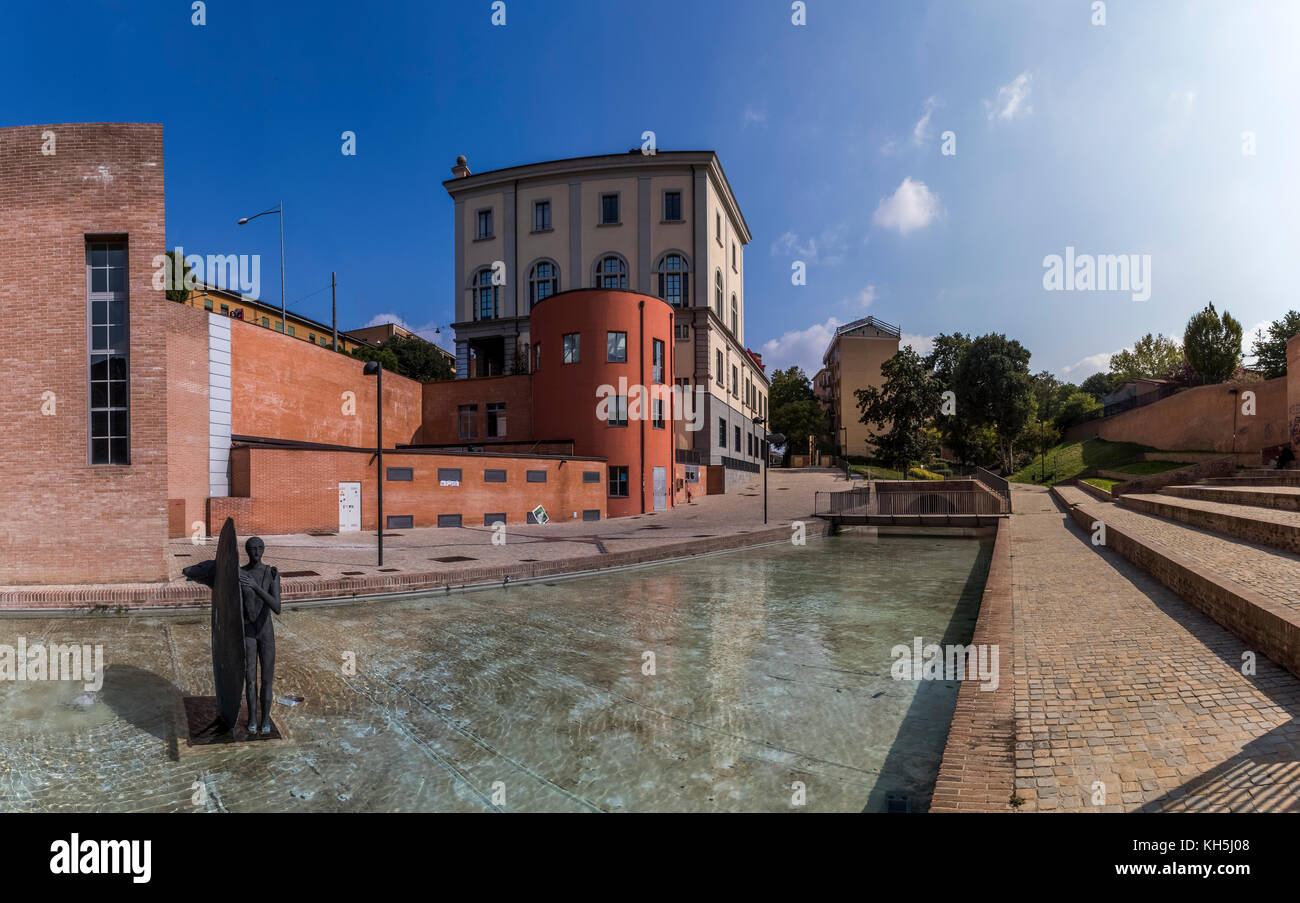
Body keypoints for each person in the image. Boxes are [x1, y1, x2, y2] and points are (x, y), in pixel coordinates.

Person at [239, 537, 281, 735]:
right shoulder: (241, 574)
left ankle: (265, 719)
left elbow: (277, 607)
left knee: (266, 679)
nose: (256, 552)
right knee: (250, 678)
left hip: (265, 631)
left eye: (259, 548)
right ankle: (253, 718)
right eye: (252, 549)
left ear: (264, 550)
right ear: (246, 551)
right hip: (248, 631)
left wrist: (256, 587)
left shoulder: (271, 573)